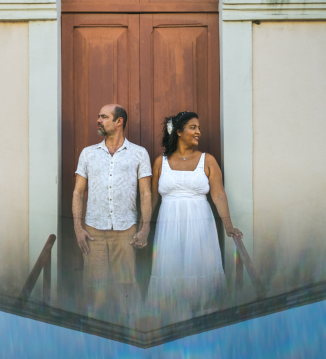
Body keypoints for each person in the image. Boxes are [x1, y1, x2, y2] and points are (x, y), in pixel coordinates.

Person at [146, 111, 242, 324]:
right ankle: (171, 324)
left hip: (200, 225)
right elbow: (152, 199)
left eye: (199, 128)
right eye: (193, 127)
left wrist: (228, 226)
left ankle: (204, 322)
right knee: (171, 270)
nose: (198, 132)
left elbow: (218, 194)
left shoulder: (207, 160)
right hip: (169, 225)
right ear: (178, 131)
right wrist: (143, 228)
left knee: (200, 268)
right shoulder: (160, 162)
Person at [72, 104, 152, 323]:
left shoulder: (139, 153)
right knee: (96, 294)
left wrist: (145, 228)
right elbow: (78, 193)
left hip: (126, 231)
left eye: (104, 117)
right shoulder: (88, 154)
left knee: (125, 292)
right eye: (98, 117)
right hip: (93, 232)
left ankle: (128, 338)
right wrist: (78, 229)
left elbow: (145, 193)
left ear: (119, 122)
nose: (98, 120)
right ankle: (96, 339)